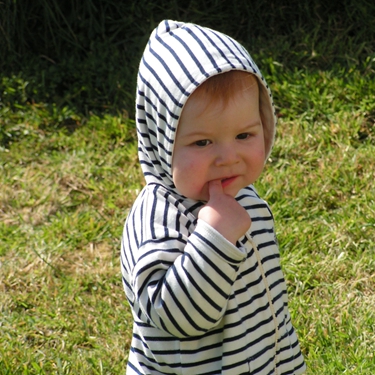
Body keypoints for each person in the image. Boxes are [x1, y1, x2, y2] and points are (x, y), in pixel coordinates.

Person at [121, 19, 306, 375]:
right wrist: (214, 241)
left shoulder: (245, 200)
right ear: (162, 139)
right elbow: (176, 318)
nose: (227, 157)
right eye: (202, 142)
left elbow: (271, 313)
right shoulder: (157, 222)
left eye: (244, 135)